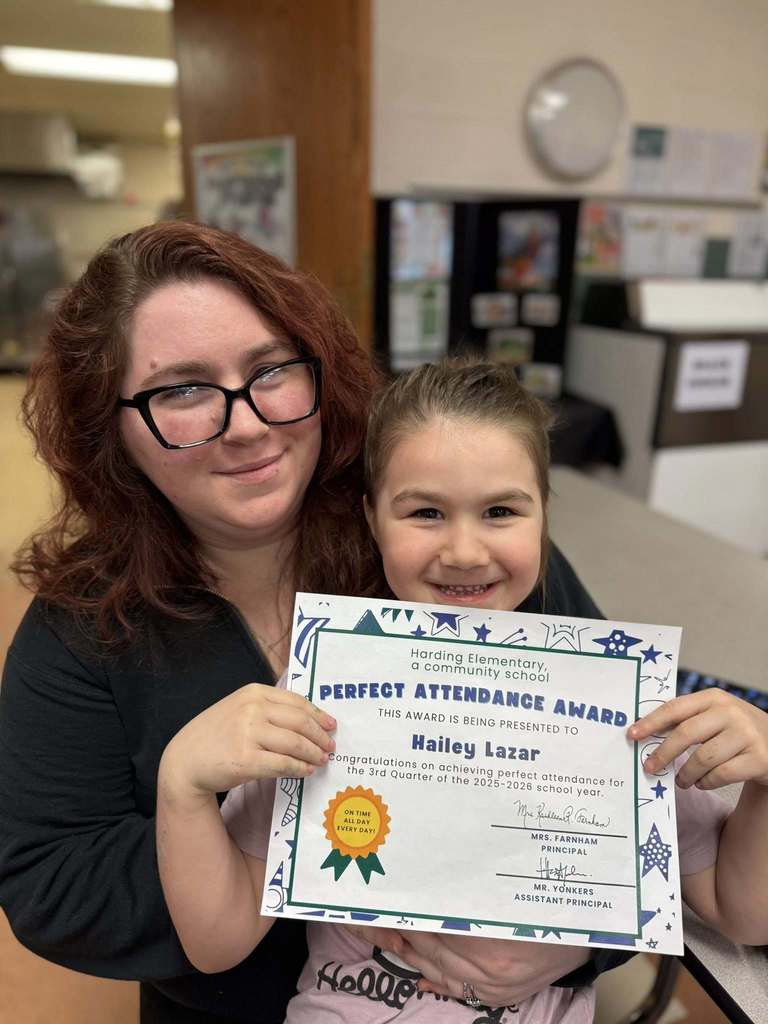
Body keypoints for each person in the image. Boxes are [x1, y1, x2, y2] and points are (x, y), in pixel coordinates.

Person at [0, 224, 623, 1024]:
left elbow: (621, 787)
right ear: (111, 429)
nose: (249, 424)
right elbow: (50, 884)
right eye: (182, 391)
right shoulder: (83, 624)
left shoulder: (439, 537)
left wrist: (576, 939)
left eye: (270, 371)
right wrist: (271, 848)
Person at [157, 359, 768, 1023]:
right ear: (371, 519)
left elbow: (743, 912)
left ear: (544, 517)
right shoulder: (327, 687)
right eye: (425, 512)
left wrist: (767, 778)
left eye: (501, 510)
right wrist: (181, 786)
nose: (466, 551)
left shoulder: (618, 708)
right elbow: (217, 942)